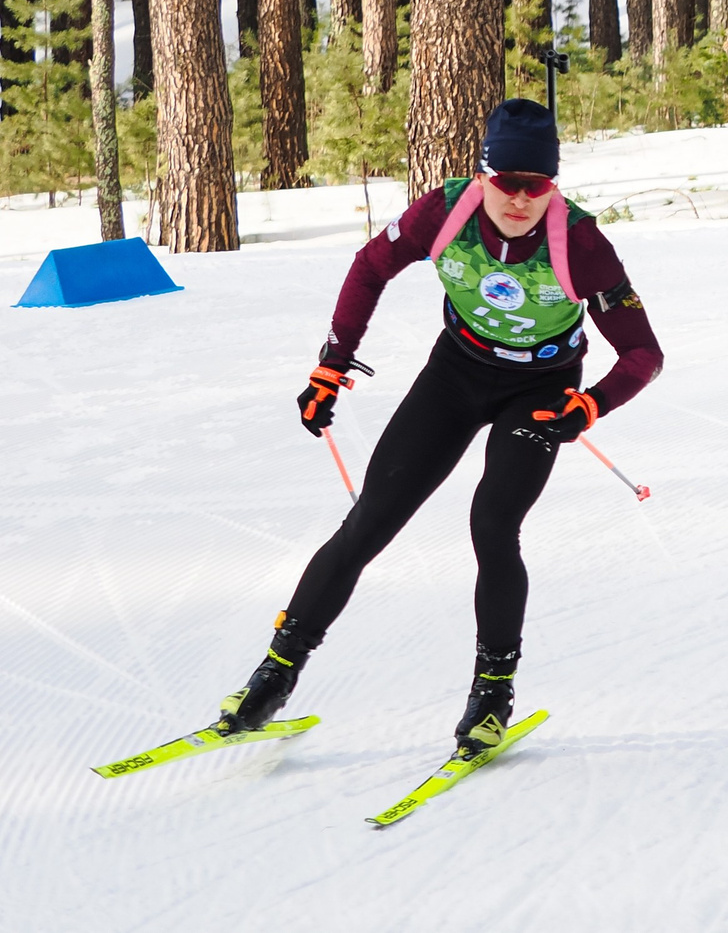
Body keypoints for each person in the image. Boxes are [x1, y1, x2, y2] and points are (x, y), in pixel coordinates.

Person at [205, 99, 664, 756]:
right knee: (370, 520)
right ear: (482, 174)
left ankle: (491, 695)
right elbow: (370, 265)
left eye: (535, 184)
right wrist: (331, 365)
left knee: (493, 523)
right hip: (458, 370)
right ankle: (273, 674)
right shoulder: (442, 212)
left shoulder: (581, 242)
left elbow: (644, 352)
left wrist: (590, 405)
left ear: (554, 185)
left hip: (541, 389)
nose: (518, 198)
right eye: (505, 180)